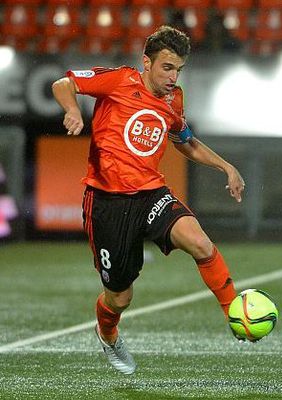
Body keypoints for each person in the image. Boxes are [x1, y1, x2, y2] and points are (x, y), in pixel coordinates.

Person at [51, 26, 246, 375]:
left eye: (178, 70)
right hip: (107, 203)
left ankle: (236, 313)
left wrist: (225, 166)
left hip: (151, 194)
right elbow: (63, 84)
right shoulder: (119, 81)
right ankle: (107, 334)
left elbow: (184, 141)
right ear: (146, 62)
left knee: (200, 242)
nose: (173, 77)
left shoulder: (174, 100)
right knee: (120, 298)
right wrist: (73, 110)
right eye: (167, 67)